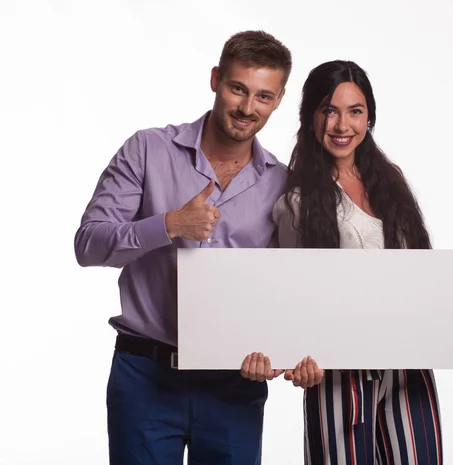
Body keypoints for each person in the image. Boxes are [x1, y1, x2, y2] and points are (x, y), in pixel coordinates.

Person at [74, 30, 295, 465]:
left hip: (236, 383)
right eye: (237, 89)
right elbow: (88, 244)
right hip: (146, 375)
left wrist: (279, 348)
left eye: (264, 97)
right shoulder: (147, 149)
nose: (248, 108)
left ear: (279, 99)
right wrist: (168, 225)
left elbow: (286, 288)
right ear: (215, 79)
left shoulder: (283, 184)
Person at [272, 60, 453, 465]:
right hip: (339, 372)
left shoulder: (389, 178)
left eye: (355, 111)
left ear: (369, 116)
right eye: (329, 109)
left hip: (408, 362)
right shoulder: (297, 200)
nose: (342, 124)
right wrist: (297, 357)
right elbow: (291, 293)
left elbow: (414, 268)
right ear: (310, 115)